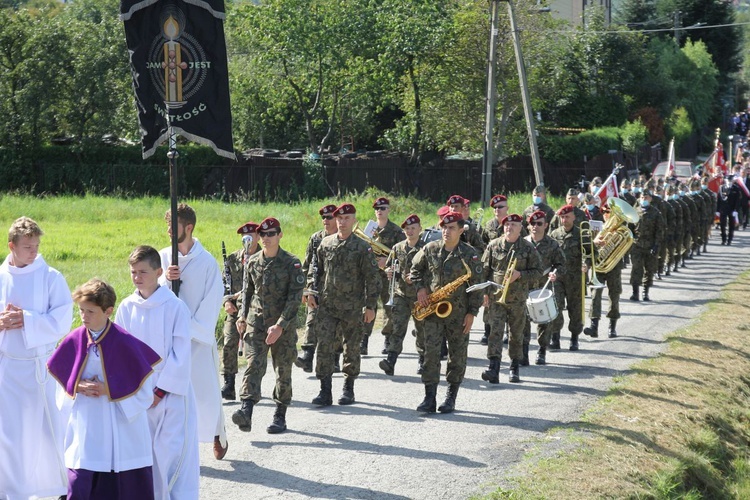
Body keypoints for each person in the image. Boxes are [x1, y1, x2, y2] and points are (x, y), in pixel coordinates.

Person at [48, 278, 161, 500]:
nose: (83, 316)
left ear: (108, 311)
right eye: (81, 310)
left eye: (90, 311)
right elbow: (60, 381)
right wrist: (77, 386)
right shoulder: (74, 339)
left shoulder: (125, 343)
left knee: (122, 486)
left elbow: (145, 390)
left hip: (119, 429)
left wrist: (109, 389)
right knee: (80, 481)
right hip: (87, 426)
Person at [115, 245, 200, 500]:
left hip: (171, 395)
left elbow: (181, 353)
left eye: (143, 272)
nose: (137, 277)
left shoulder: (174, 307)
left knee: (170, 455)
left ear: (159, 272)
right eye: (133, 272)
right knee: (144, 456)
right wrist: (135, 390)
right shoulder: (126, 307)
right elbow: (120, 352)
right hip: (139, 394)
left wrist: (161, 390)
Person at [0, 216, 73, 500]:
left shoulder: (50, 277)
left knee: (44, 432)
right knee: (9, 434)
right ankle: (10, 491)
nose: (34, 251)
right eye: (28, 246)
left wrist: (26, 320)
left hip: (38, 370)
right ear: (12, 246)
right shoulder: (1, 276)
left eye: (37, 245)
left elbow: (62, 319)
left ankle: (54, 487)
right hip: (8, 369)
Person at [159, 203, 227, 459]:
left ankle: (217, 432)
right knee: (172, 391)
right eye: (167, 225)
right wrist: (166, 279)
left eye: (172, 225)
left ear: (188, 227)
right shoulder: (163, 257)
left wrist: (191, 328)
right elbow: (151, 289)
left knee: (206, 390)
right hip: (169, 337)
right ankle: (177, 445)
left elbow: (212, 299)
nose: (168, 230)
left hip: (197, 336)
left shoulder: (207, 262)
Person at [232, 217, 304, 434]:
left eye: (271, 234)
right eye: (262, 234)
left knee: (282, 370)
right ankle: (246, 410)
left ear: (280, 235)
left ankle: (280, 414)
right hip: (257, 323)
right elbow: (248, 292)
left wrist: (280, 325)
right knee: (254, 364)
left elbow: (294, 298)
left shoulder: (292, 263)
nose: (266, 238)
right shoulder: (253, 262)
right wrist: (242, 316)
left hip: (283, 327)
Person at [308, 203, 380, 407]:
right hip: (327, 306)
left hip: (352, 307)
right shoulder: (326, 244)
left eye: (347, 218)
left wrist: (370, 305)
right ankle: (325, 390)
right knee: (324, 346)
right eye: (339, 218)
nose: (342, 222)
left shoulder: (361, 247)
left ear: (354, 220)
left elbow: (372, 278)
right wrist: (312, 292)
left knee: (351, 347)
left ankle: (348, 388)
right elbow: (317, 272)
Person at [410, 211, 483, 413]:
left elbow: (477, 286)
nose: (446, 231)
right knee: (430, 354)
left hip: (459, 314)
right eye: (443, 227)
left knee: (457, 355)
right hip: (434, 312)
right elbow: (414, 270)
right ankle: (429, 398)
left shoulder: (471, 254)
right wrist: (421, 288)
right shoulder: (430, 248)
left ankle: (450, 397)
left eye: (451, 228)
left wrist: (472, 313)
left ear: (461, 230)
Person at [481, 213, 541, 383]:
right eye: (507, 225)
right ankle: (494, 368)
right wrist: (485, 293)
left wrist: (520, 274)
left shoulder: (528, 248)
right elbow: (485, 271)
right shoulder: (493, 246)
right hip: (496, 298)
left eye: (514, 225)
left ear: (521, 228)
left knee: (515, 334)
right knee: (495, 332)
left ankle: (514, 367)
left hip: (517, 299)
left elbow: (537, 271)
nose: (509, 227)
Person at [378, 214, 426, 376]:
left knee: (421, 330)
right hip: (401, 294)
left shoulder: (427, 248)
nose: (410, 231)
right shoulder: (397, 248)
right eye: (407, 228)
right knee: (397, 328)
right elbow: (389, 266)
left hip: (420, 296)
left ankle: (423, 360)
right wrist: (388, 271)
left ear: (420, 229)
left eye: (413, 228)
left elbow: (433, 272)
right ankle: (390, 361)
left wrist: (418, 279)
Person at [220, 222, 260, 401]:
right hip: (236, 310)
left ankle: (252, 385)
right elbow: (223, 285)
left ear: (258, 236)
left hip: (256, 309)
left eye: (251, 233)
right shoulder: (233, 259)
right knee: (229, 342)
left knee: (254, 348)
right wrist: (227, 301)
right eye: (244, 235)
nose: (247, 237)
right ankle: (229, 384)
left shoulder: (264, 257)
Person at [296, 204, 338, 372]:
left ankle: (335, 358)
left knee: (337, 325)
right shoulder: (316, 238)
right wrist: (306, 289)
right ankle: (307, 356)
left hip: (339, 289)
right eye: (324, 217)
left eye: (329, 217)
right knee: (312, 319)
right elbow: (306, 266)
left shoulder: (344, 237)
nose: (325, 220)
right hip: (317, 287)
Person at [361, 197, 405, 356]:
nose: (379, 211)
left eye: (383, 208)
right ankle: (363, 340)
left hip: (388, 276)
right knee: (368, 306)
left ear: (389, 210)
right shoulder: (369, 230)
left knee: (389, 308)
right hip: (371, 275)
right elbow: (362, 251)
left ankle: (387, 339)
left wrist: (387, 261)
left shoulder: (396, 231)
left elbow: (403, 254)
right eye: (377, 208)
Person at [524, 210, 566, 364]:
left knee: (543, 318)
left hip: (544, 284)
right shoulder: (523, 243)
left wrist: (556, 274)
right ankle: (524, 351)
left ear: (546, 225)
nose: (535, 226)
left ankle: (542, 350)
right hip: (526, 284)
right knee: (523, 319)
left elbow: (561, 265)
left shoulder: (552, 244)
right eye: (532, 224)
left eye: (539, 223)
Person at [582, 206, 624, 339]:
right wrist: (594, 243)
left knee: (614, 295)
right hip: (598, 266)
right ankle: (594, 326)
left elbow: (626, 248)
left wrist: (613, 245)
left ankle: (612, 327)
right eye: (604, 212)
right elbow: (588, 248)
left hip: (613, 266)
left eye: (609, 212)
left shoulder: (620, 230)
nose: (606, 214)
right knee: (595, 295)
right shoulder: (596, 229)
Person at [548, 205, 585, 351]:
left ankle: (574, 338)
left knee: (575, 309)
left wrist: (586, 264)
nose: (564, 220)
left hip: (575, 278)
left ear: (574, 217)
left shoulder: (582, 235)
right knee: (556, 306)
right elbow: (548, 255)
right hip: (558, 278)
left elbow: (591, 254)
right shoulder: (554, 235)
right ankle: (555, 338)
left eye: (567, 216)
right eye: (562, 217)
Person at [629, 189, 665, 301]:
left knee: (649, 269)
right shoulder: (634, 212)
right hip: (637, 245)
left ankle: (646, 292)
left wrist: (656, 245)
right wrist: (632, 239)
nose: (644, 199)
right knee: (636, 268)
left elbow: (660, 230)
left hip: (650, 245)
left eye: (647, 198)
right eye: (642, 197)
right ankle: (635, 292)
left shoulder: (656, 213)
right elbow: (629, 228)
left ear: (651, 199)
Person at [718, 174, 741, 245]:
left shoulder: (736, 188)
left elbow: (738, 201)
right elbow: (719, 199)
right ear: (725, 180)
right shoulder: (722, 187)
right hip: (723, 209)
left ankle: (729, 239)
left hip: (732, 209)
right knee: (722, 224)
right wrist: (717, 210)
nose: (729, 182)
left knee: (731, 225)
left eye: (730, 180)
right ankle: (723, 239)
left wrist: (736, 210)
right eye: (728, 180)